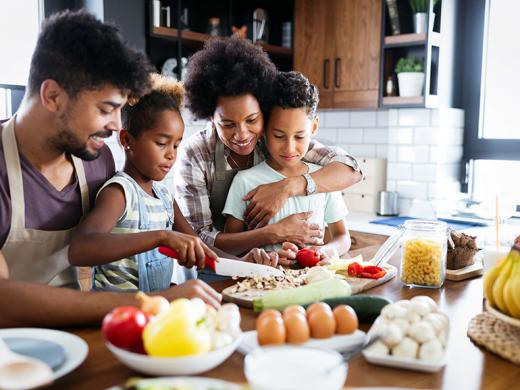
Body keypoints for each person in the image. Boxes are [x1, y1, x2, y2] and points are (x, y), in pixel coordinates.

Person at [0, 10, 221, 328]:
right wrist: (153, 302)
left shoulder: (95, 159)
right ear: (52, 96)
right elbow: (4, 301)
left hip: (77, 330)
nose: (117, 125)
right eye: (106, 109)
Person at [176, 36, 362, 260]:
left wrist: (287, 187)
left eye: (252, 120)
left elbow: (351, 169)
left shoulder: (278, 140)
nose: (242, 135)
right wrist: (272, 233)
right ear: (210, 116)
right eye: (227, 124)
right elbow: (199, 239)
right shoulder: (196, 153)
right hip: (211, 270)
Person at [68, 74, 218, 291]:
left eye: (176, 146)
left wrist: (246, 262)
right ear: (126, 140)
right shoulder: (120, 193)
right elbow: (80, 249)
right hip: (114, 314)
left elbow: (201, 247)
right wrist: (162, 237)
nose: (171, 155)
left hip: (153, 312)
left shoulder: (165, 198)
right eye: (161, 143)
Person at [223, 71, 351, 264]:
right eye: (279, 136)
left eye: (299, 136)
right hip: (261, 284)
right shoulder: (245, 181)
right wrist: (260, 257)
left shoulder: (323, 178)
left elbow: (343, 237)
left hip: (312, 283)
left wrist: (328, 250)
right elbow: (230, 247)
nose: (289, 148)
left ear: (314, 127)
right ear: (264, 129)